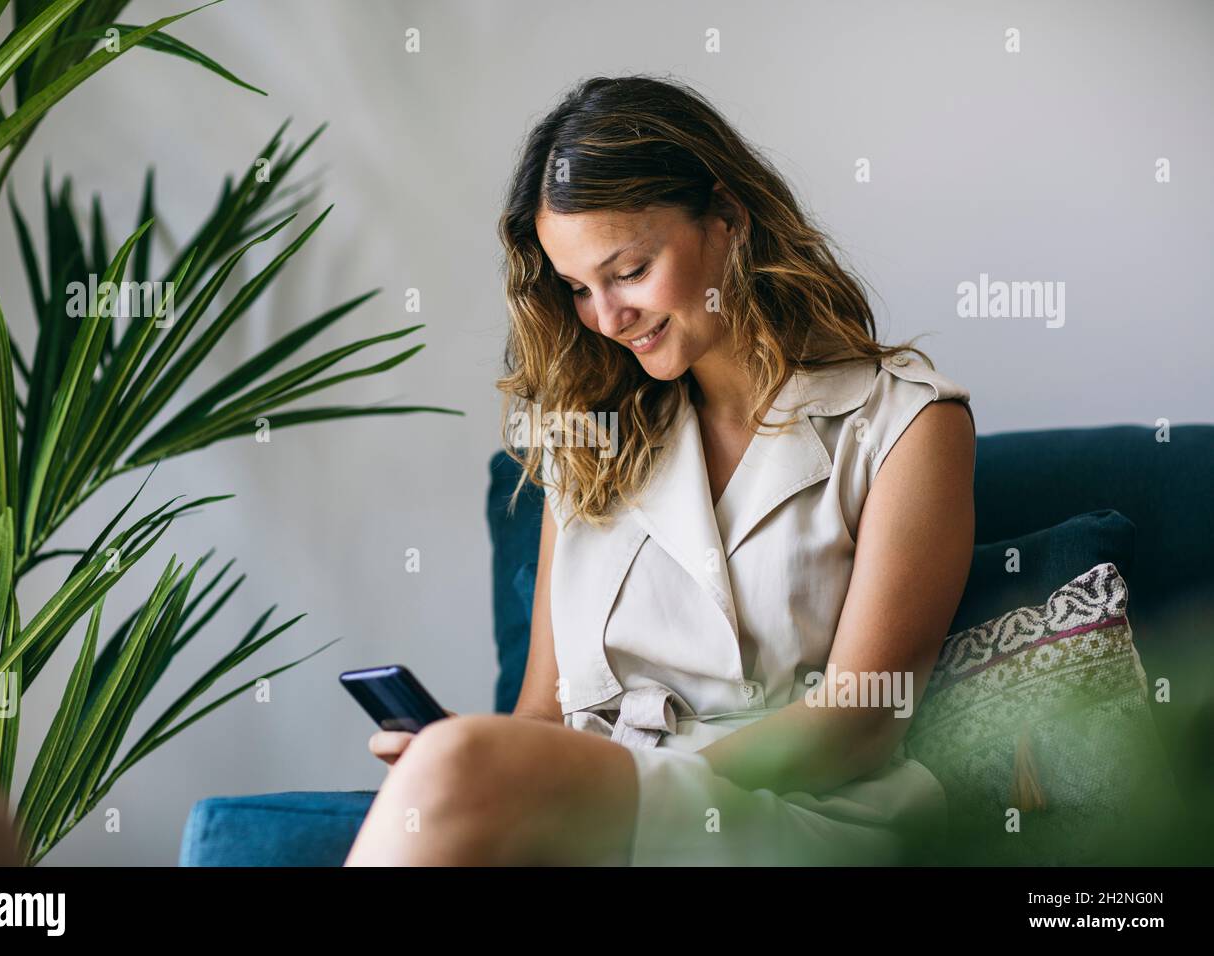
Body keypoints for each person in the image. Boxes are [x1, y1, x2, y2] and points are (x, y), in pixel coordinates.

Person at [345, 74, 975, 866]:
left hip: (802, 812)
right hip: (597, 811)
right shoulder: (586, 437)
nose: (607, 319)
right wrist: (483, 765)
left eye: (630, 271)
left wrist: (582, 784)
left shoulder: (906, 422)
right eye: (577, 288)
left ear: (728, 220)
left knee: (466, 768)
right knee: (453, 765)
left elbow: (860, 718)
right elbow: (543, 713)